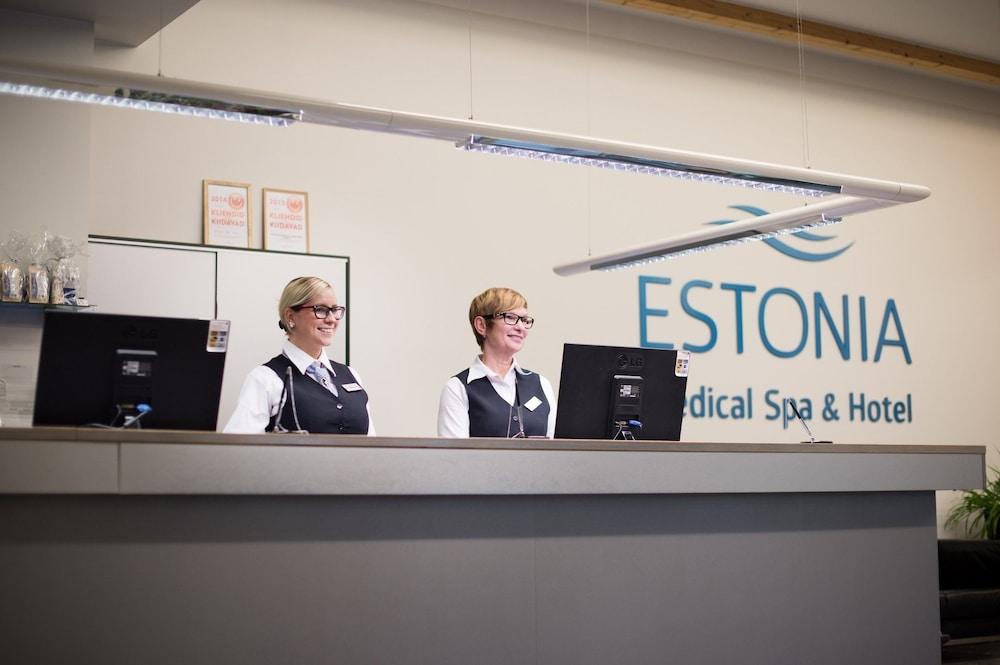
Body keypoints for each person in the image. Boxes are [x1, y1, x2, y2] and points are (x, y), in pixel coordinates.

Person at [224, 276, 374, 435]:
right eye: (320, 310)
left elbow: (372, 443)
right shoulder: (265, 379)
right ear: (290, 316)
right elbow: (238, 446)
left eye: (335, 310)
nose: (331, 319)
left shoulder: (351, 375)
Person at [437, 287, 555, 438]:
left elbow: (557, 448)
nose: (521, 327)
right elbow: (454, 453)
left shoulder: (541, 384)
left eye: (525, 320)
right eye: (510, 317)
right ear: (482, 325)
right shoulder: (457, 388)